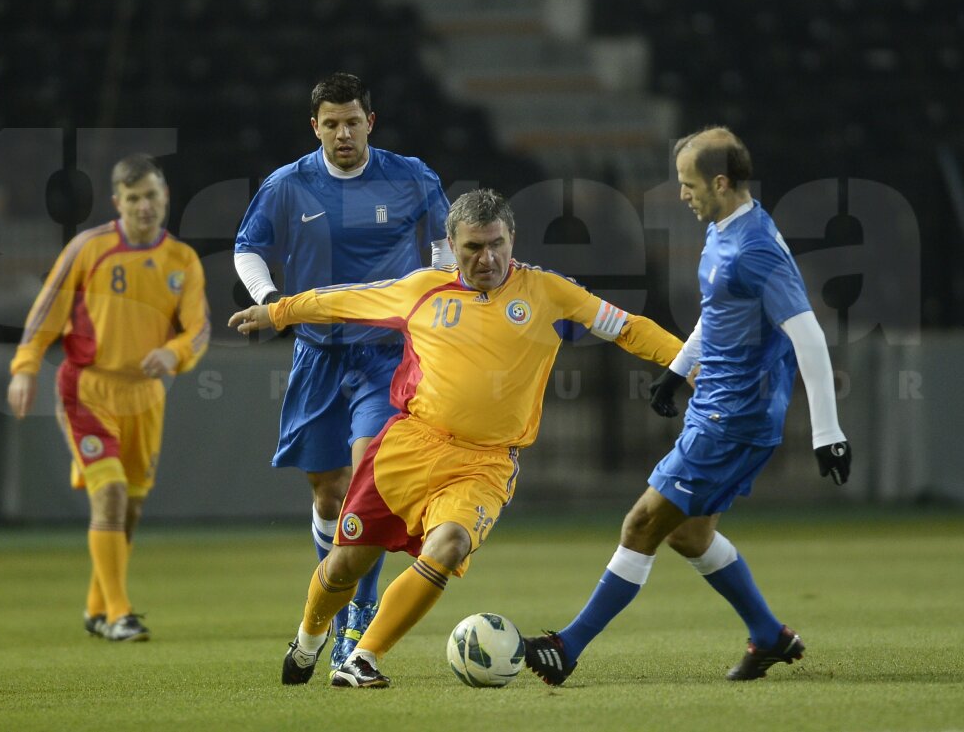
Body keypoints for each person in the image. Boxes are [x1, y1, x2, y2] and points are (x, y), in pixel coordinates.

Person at [229, 188, 684, 688]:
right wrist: (278, 311)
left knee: (448, 545)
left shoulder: (548, 291)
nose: (487, 258)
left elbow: (628, 327)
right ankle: (309, 640)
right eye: (472, 248)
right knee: (343, 568)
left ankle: (363, 657)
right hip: (408, 447)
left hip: (484, 463)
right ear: (451, 244)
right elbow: (345, 300)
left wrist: (689, 363)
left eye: (497, 244)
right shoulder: (422, 288)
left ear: (513, 239)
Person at [521, 126, 853, 685]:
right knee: (689, 534)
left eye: (689, 183)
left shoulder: (756, 249)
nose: (682, 194)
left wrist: (827, 432)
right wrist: (676, 373)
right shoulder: (725, 229)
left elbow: (809, 336)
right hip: (715, 403)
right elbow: (718, 313)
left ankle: (567, 646)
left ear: (721, 182)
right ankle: (769, 636)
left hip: (736, 415)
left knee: (642, 522)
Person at [233, 72, 452, 668]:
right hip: (317, 354)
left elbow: (444, 250)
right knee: (329, 496)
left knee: (367, 485)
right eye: (331, 123)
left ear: (370, 122)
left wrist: (434, 304)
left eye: (352, 121)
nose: (342, 132)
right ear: (315, 127)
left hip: (386, 356)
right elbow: (247, 246)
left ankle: (359, 622)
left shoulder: (411, 176)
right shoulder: (288, 185)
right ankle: (329, 597)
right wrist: (272, 300)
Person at [7, 153, 210, 642]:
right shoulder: (88, 247)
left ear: (165, 198)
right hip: (87, 389)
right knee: (111, 495)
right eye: (134, 198)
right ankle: (120, 613)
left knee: (131, 510)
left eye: (152, 195)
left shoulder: (181, 260)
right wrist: (24, 367)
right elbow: (47, 311)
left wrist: (174, 352)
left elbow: (199, 331)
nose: (144, 206)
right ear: (118, 202)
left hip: (145, 397)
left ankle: (97, 609)